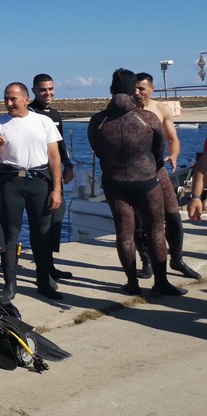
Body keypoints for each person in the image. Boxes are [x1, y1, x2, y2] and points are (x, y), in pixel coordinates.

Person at [88, 69, 185, 296]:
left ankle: (132, 283)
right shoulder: (148, 118)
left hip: (115, 182)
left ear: (111, 90)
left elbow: (98, 150)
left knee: (124, 233)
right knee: (155, 231)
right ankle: (161, 282)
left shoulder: (98, 121)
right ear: (134, 91)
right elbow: (158, 150)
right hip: (145, 181)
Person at [0, 82, 64, 300]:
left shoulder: (43, 122)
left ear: (26, 99)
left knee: (42, 234)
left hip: (39, 182)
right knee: (10, 235)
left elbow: (54, 158)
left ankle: (44, 280)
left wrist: (56, 189)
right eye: (6, 99)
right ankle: (10, 285)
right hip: (11, 183)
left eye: (13, 99)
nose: (9, 103)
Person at [133, 72, 200, 279]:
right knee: (139, 221)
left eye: (141, 89)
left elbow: (173, 138)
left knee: (173, 216)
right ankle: (147, 261)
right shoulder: (127, 110)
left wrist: (174, 154)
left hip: (158, 167)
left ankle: (177, 259)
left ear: (151, 89)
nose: (137, 93)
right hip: (134, 173)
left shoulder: (160, 109)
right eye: (134, 88)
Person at [29, 73, 76, 283]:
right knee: (42, 224)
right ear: (34, 91)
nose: (47, 93)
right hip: (39, 176)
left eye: (50, 89)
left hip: (56, 174)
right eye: (42, 90)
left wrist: (68, 165)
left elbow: (61, 144)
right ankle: (43, 269)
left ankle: (50, 266)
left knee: (56, 219)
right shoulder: (29, 113)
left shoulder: (55, 114)